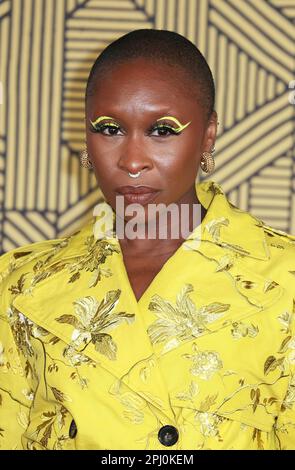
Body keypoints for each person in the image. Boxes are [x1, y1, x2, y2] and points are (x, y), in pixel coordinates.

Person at [0, 29, 295, 451]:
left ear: (207, 135)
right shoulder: (21, 282)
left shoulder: (285, 279)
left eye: (162, 130)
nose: (132, 160)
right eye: (110, 129)